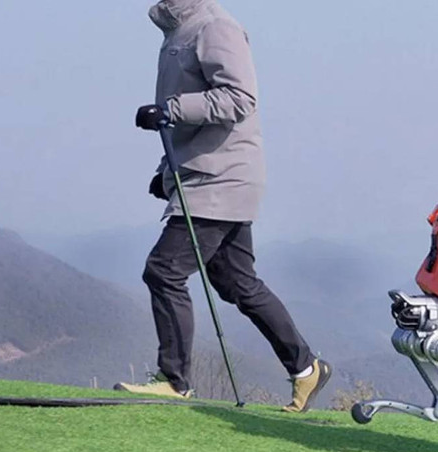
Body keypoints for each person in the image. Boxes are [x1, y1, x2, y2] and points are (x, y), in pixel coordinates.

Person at [114, 0, 330, 413]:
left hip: (221, 178)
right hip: (208, 172)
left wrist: (170, 110)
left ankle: (173, 380)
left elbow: (239, 98)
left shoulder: (214, 26)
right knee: (236, 282)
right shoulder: (180, 28)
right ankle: (307, 369)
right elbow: (188, 127)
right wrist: (166, 172)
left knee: (164, 270)